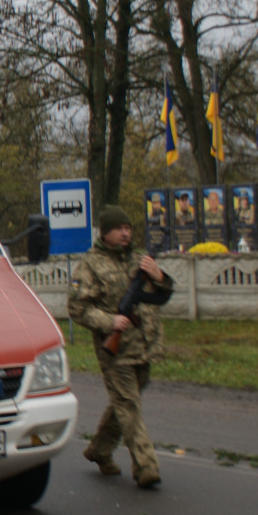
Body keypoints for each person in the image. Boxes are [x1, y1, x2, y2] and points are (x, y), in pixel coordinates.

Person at [69, 206, 174, 489]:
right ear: (105, 233)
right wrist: (109, 321)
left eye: (128, 228)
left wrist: (159, 277)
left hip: (143, 346)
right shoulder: (90, 265)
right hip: (114, 350)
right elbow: (78, 308)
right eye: (119, 228)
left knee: (126, 402)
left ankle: (99, 450)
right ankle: (146, 465)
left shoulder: (140, 261)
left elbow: (161, 296)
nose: (125, 233)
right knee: (128, 404)